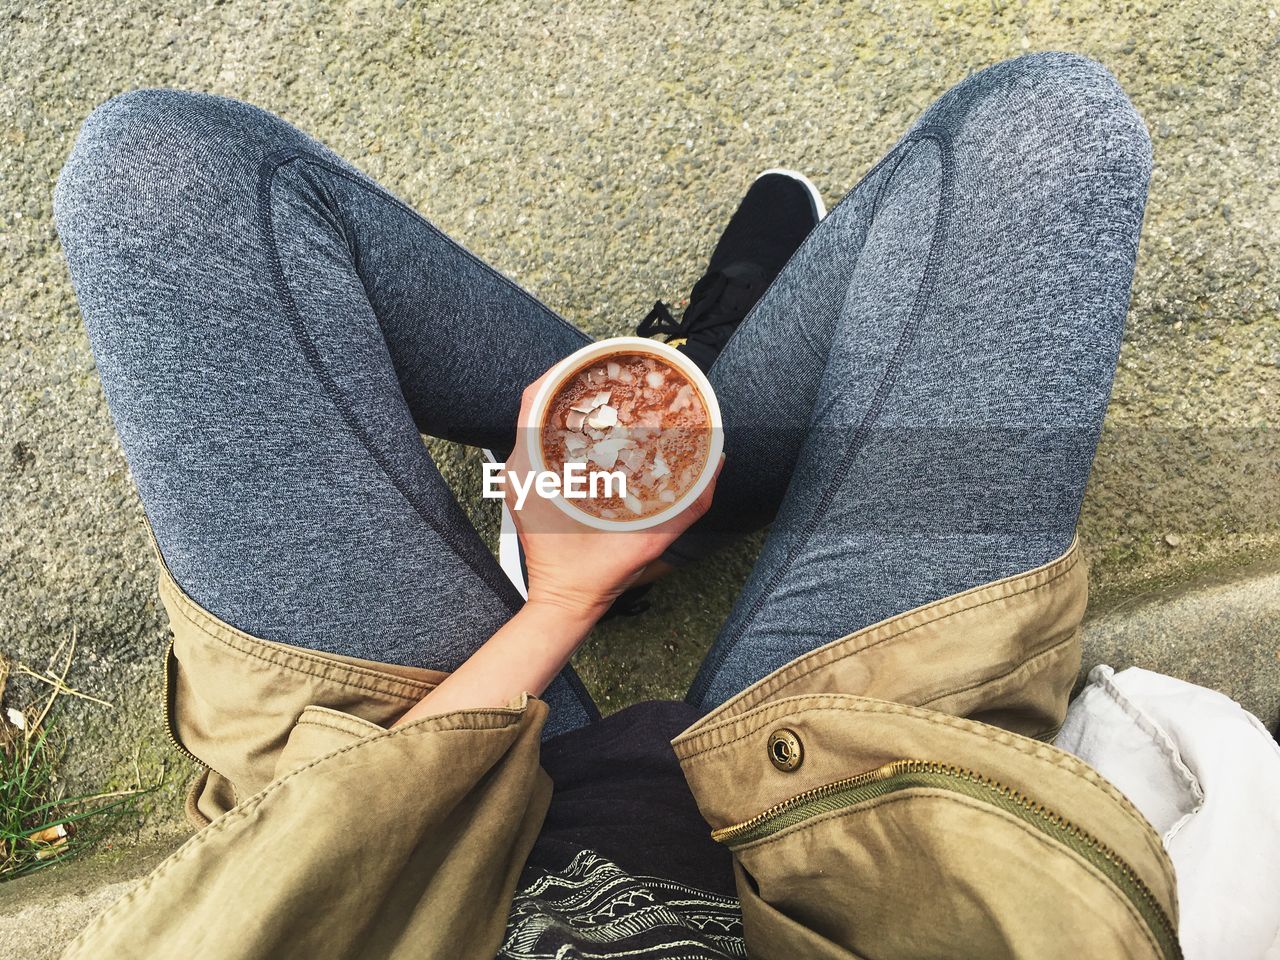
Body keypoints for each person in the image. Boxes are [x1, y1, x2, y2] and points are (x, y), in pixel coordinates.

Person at [53, 52, 1180, 959]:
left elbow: (298, 879)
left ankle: (646, 435)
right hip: (871, 842)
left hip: (386, 820)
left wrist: (560, 606)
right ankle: (688, 438)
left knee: (160, 179)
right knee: (1048, 139)